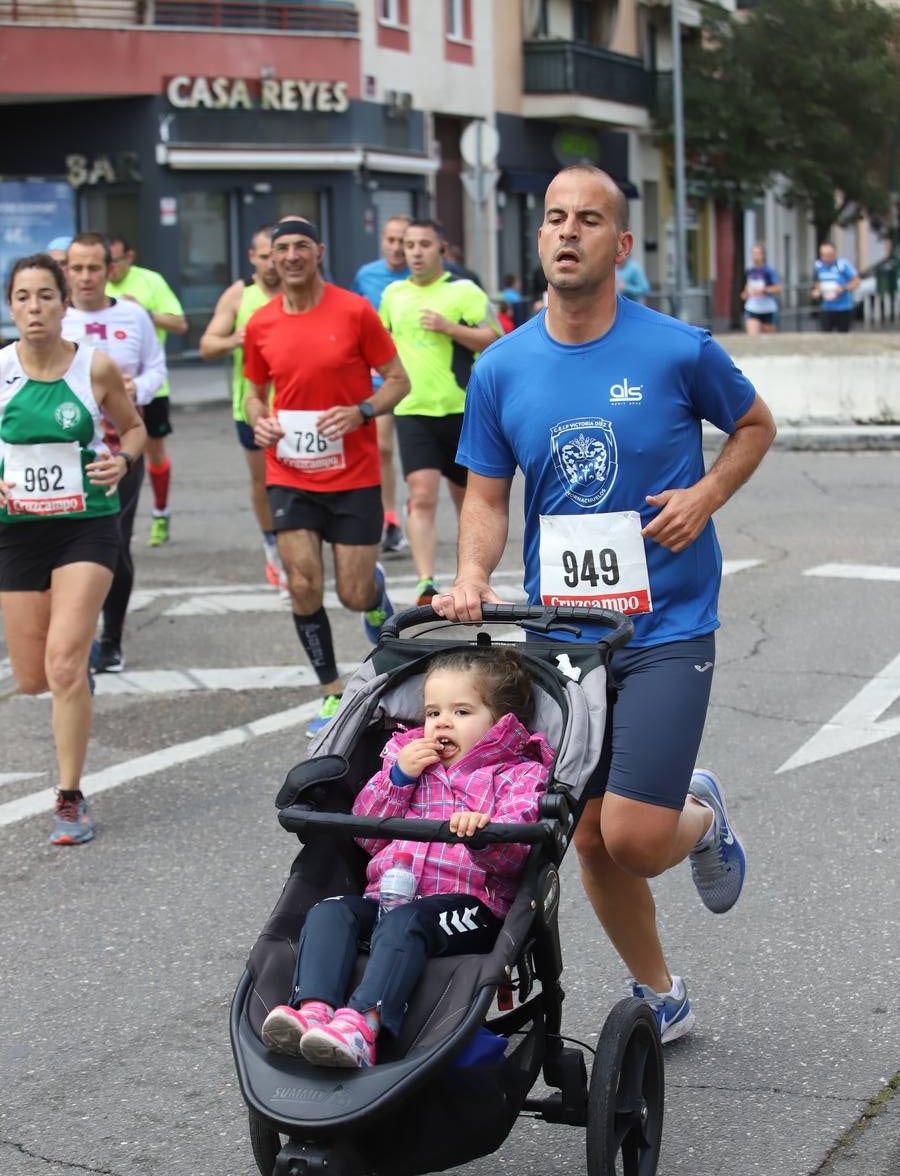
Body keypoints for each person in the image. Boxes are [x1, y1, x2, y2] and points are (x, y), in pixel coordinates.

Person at [433, 165, 777, 1044]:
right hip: (565, 637)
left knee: (633, 838)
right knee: (584, 837)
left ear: (620, 244)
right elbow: (486, 496)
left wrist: (706, 495)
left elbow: (755, 425)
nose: (567, 231)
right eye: (555, 217)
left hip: (668, 626)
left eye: (588, 219)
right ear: (538, 237)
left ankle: (700, 816)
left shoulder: (677, 349)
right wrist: (470, 573)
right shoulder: (501, 366)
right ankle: (661, 993)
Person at [260, 646, 555, 1068]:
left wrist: (485, 836)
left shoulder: (519, 774)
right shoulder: (404, 760)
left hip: (471, 909)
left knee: (407, 922)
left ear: (502, 722)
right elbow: (365, 836)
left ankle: (363, 1026)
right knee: (328, 911)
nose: (442, 723)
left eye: (461, 712)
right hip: (388, 898)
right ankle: (314, 1012)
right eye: (433, 712)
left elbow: (517, 859)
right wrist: (398, 778)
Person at [243, 217, 410, 737]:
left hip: (353, 474)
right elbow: (253, 393)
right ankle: (331, 690)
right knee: (302, 583)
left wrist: (362, 410)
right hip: (290, 472)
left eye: (301, 247)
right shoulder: (261, 323)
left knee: (353, 594)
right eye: (281, 248)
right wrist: (258, 420)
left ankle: (374, 597)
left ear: (318, 251)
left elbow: (398, 381)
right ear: (271, 258)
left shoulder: (354, 310)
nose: (291, 256)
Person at [0, 253, 146, 844]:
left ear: (64, 304)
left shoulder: (95, 366)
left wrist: (124, 459)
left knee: (62, 664)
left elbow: (133, 427)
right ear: (11, 307)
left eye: (45, 296)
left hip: (85, 524)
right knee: (33, 678)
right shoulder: (0, 370)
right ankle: (74, 670)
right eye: (22, 297)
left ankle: (69, 797)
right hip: (16, 529)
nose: (34, 307)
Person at [379, 218, 501, 603]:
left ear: (442, 250)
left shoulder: (464, 291)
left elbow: (495, 338)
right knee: (421, 493)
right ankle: (425, 581)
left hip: (462, 409)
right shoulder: (393, 294)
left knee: (468, 500)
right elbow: (382, 345)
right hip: (413, 408)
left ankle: (471, 576)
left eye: (424, 245)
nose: (415, 252)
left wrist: (450, 327)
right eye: (409, 245)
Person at [62, 232, 165, 674]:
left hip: (121, 449)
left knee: (114, 541)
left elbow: (156, 367)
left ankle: (112, 639)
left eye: (94, 268)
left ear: (110, 270)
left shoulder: (133, 315)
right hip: (63, 453)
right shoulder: (57, 317)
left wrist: (135, 388)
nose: (86, 276)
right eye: (77, 268)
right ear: (66, 271)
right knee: (64, 543)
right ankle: (73, 633)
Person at [198, 224, 285, 590]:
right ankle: (273, 547)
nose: (271, 264)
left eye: (275, 255)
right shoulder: (239, 295)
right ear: (252, 257)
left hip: (299, 409)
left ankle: (300, 545)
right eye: (263, 256)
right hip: (251, 406)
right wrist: (235, 338)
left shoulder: (302, 292)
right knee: (263, 482)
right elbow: (206, 345)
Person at [105, 235, 187, 544]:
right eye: (106, 262)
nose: (111, 269)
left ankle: (160, 512)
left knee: (153, 452)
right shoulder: (94, 285)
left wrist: (145, 313)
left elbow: (180, 324)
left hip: (149, 388)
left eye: (116, 261)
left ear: (130, 257)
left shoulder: (150, 281)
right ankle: (109, 523)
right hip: (102, 393)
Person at [350, 214, 412, 555]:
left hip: (422, 375)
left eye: (403, 240)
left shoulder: (422, 274)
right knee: (383, 447)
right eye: (391, 240)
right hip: (382, 374)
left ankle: (415, 502)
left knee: (420, 455)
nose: (397, 247)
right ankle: (390, 519)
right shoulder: (366, 275)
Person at [811, 242, 860, 333]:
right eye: (824, 255)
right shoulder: (818, 266)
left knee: (843, 335)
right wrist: (817, 291)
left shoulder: (842, 265)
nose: (826, 258)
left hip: (843, 307)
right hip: (826, 307)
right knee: (825, 335)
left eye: (829, 255)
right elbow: (818, 282)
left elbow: (856, 281)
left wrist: (843, 288)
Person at [740, 242, 781, 335]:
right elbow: (747, 287)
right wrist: (745, 294)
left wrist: (764, 290)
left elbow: (778, 287)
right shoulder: (750, 271)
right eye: (753, 253)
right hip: (753, 308)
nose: (755, 256)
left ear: (763, 255)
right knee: (752, 337)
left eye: (758, 253)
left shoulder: (769, 271)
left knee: (770, 339)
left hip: (768, 308)